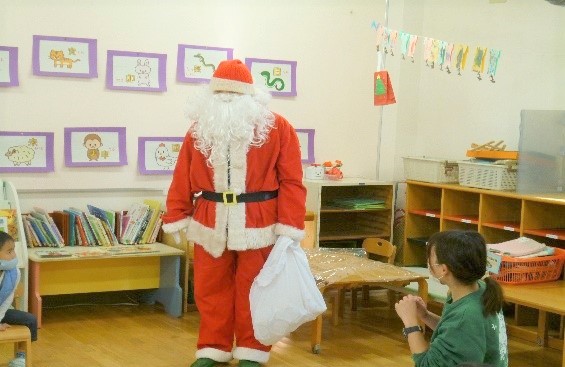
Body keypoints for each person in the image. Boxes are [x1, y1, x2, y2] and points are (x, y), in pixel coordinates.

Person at [162, 59, 306, 367]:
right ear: (211, 97)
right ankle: (213, 347)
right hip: (209, 220)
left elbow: (292, 181)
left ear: (249, 97)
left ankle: (252, 350)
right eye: (221, 94)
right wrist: (177, 212)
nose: (227, 99)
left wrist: (289, 226)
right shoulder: (199, 131)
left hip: (259, 221)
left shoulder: (277, 127)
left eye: (233, 94)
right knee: (209, 288)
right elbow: (182, 175)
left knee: (254, 289)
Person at [394, 230, 508, 367]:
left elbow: (427, 364)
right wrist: (425, 315)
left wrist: (410, 323)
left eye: (430, 258)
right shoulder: (482, 289)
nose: (428, 263)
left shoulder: (466, 315)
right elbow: (457, 334)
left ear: (443, 269)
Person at [0, 231, 38, 367]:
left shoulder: (13, 273)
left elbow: (7, 299)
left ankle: (20, 357)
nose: (14, 255)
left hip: (1, 312)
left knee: (31, 320)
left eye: (14, 251)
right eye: (9, 252)